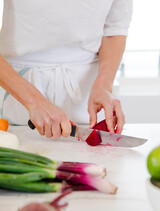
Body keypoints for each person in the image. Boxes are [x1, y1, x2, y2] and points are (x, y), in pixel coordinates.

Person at [0, 0, 132, 139]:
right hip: (19, 93)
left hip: (88, 96)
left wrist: (104, 86)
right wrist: (33, 100)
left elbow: (115, 29)